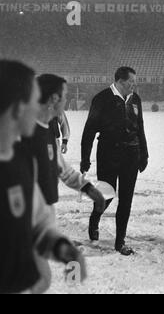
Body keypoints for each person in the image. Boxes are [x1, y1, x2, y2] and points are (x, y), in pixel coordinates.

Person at [0, 60, 86, 294]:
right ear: (18, 108)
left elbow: (37, 223)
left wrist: (62, 248)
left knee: (42, 279)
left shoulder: (19, 160)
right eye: (33, 100)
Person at [26, 74, 105, 293]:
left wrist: (89, 189)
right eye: (65, 95)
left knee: (43, 279)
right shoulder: (22, 135)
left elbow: (63, 170)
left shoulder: (46, 132)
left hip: (41, 219)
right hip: (21, 224)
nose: (67, 100)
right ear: (53, 98)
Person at [81, 66, 149, 256]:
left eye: (135, 82)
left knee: (126, 199)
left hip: (131, 154)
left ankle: (120, 242)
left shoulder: (135, 100)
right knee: (107, 196)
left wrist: (144, 153)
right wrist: (85, 158)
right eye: (130, 82)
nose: (133, 85)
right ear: (119, 81)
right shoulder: (102, 99)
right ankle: (95, 219)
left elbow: (140, 127)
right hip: (108, 154)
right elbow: (89, 131)